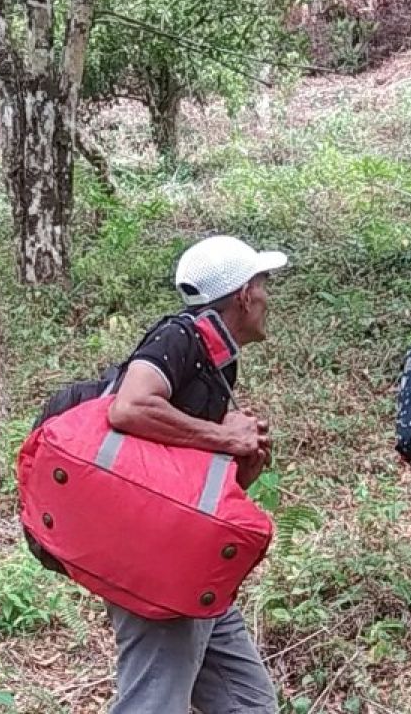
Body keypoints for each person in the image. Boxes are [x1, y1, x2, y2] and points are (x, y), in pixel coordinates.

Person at [104, 235, 287, 714]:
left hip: (191, 560)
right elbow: (130, 405)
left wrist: (239, 465)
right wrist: (226, 438)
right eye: (264, 285)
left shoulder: (216, 356)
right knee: (153, 704)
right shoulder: (181, 336)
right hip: (155, 565)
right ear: (245, 294)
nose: (268, 298)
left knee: (248, 702)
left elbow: (175, 475)